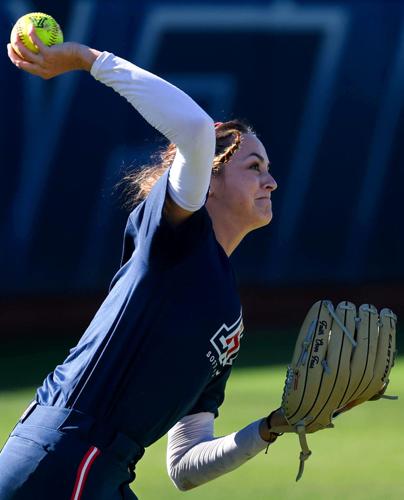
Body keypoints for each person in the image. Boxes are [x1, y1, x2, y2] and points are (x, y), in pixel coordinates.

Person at [3, 27, 281, 499]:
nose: (270, 181)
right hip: (67, 456)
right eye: (253, 167)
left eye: (268, 168)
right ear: (208, 181)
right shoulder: (175, 237)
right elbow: (194, 129)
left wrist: (273, 426)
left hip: (102, 471)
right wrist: (87, 58)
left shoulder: (228, 310)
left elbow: (185, 464)